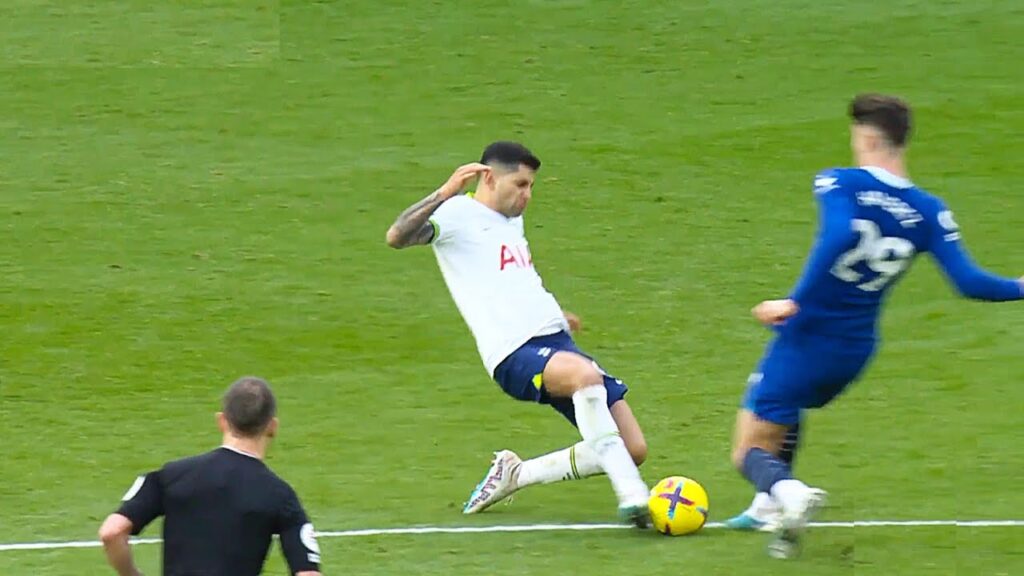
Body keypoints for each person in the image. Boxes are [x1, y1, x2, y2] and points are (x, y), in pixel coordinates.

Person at [726, 93, 1024, 558]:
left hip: (808, 337)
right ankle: (768, 507)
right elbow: (970, 283)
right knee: (788, 406)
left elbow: (841, 232)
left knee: (746, 449)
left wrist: (793, 301)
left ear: (866, 136)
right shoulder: (930, 210)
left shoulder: (839, 183)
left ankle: (788, 494)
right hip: (854, 350)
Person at [386, 141, 650, 526]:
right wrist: (445, 193)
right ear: (489, 178)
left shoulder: (510, 221)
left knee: (632, 447)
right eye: (520, 184)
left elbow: (508, 278)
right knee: (585, 378)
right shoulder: (458, 213)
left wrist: (556, 312)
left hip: (556, 341)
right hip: (514, 352)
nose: (527, 195)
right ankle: (632, 494)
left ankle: (516, 474)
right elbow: (397, 236)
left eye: (531, 186)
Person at [98, 377, 322, 576]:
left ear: (222, 421)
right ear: (272, 426)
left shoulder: (172, 475)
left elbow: (112, 531)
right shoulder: (280, 495)